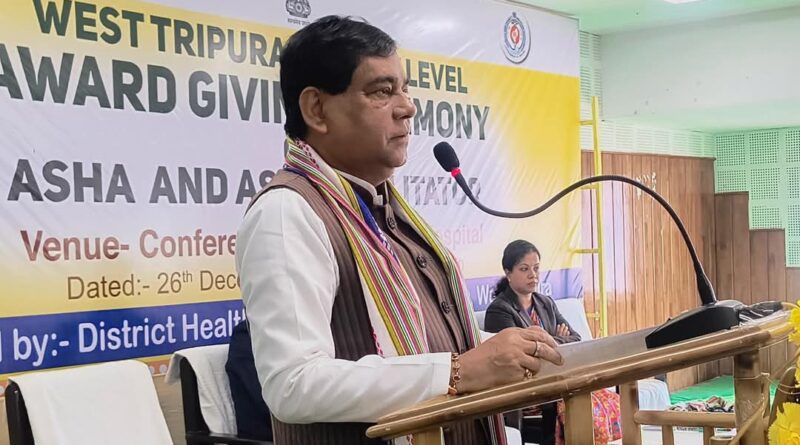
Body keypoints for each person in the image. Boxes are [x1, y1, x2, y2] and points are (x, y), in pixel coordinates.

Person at [235, 15, 563, 445]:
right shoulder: (287, 212)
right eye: (381, 91)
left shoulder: (385, 208)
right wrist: (457, 372)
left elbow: (426, 343)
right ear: (316, 109)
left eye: (405, 89)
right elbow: (293, 384)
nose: (407, 107)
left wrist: (509, 348)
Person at [484, 240, 621, 445]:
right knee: (577, 399)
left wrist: (543, 340)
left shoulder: (545, 303)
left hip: (555, 381)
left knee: (602, 399)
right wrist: (553, 338)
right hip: (525, 388)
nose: (533, 275)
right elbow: (517, 353)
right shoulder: (499, 310)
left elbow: (574, 338)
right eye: (524, 269)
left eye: (536, 268)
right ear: (508, 273)